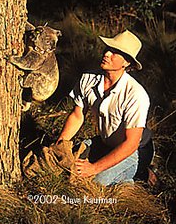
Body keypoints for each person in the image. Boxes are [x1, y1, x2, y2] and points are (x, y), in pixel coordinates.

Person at [57, 30, 152, 185]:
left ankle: (137, 176)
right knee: (67, 166)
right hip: (104, 143)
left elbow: (131, 143)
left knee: (94, 181)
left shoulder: (136, 94)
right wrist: (60, 144)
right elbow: (77, 115)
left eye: (115, 52)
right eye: (107, 49)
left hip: (135, 151)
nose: (107, 53)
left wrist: (94, 168)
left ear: (126, 62)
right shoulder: (88, 79)